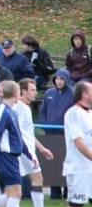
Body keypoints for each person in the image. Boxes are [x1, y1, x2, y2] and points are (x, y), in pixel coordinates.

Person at [0, 79, 57, 207]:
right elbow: (14, 134)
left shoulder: (23, 108)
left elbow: (25, 132)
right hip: (20, 152)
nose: (35, 92)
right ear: (22, 92)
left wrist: (41, 147)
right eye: (32, 90)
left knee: (11, 188)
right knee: (24, 185)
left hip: (24, 149)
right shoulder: (17, 108)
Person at [56, 81, 92, 207]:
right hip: (78, 168)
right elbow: (79, 142)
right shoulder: (73, 113)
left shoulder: (89, 113)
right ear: (84, 94)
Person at [40, 69, 75, 200]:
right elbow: (43, 111)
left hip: (66, 136)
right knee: (52, 164)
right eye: (57, 79)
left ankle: (67, 193)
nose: (59, 81)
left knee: (66, 164)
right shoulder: (49, 93)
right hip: (50, 135)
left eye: (62, 79)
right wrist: (45, 126)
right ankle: (55, 194)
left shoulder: (73, 93)